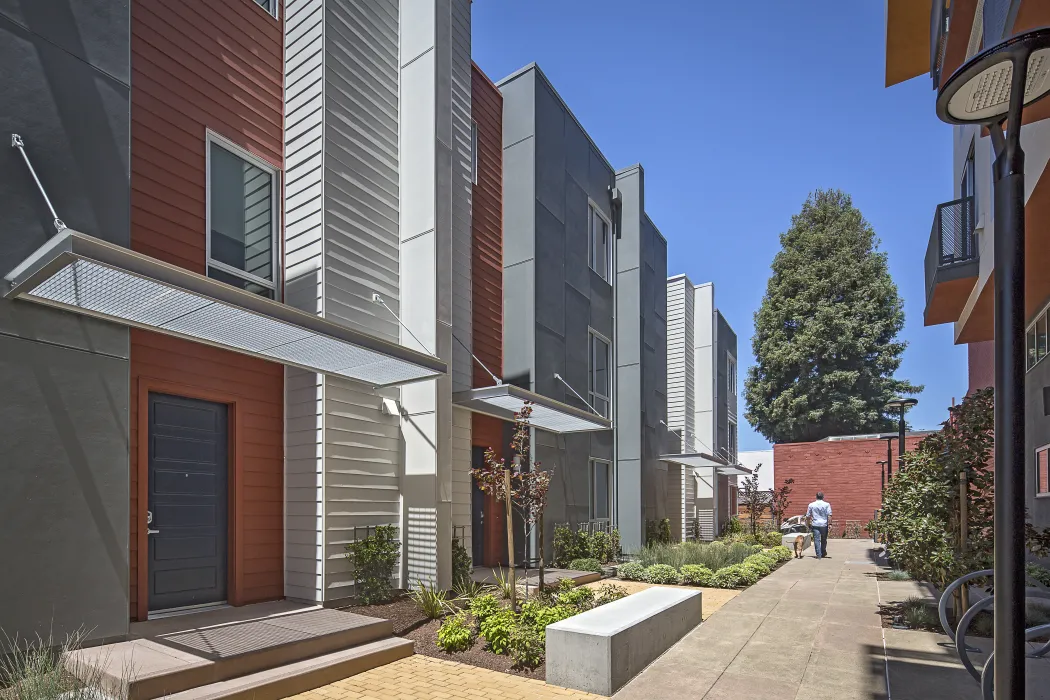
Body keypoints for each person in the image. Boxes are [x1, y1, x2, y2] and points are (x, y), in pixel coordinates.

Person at [806, 491, 832, 559]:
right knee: (824, 539)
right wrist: (830, 524)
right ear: (823, 497)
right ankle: (823, 552)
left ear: (816, 497)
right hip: (824, 524)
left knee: (816, 540)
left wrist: (808, 524)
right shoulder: (827, 504)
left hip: (815, 524)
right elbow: (829, 515)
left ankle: (818, 554)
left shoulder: (811, 505)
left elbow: (808, 516)